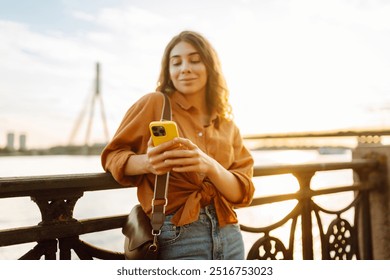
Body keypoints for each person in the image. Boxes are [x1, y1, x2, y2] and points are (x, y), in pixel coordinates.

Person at [101, 30, 255, 260]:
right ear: (168, 71)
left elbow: (242, 192)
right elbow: (112, 156)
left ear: (210, 68)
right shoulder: (155, 103)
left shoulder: (227, 125)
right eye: (176, 63)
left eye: (194, 60)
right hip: (176, 236)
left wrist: (210, 166)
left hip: (230, 233)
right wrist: (147, 163)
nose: (185, 68)